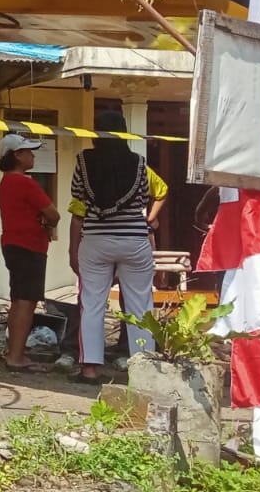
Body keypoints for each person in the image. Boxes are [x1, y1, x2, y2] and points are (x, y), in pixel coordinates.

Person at [67, 111, 168, 383]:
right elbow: (147, 196)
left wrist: (72, 249)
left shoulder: (84, 163)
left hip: (96, 241)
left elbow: (78, 198)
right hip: (134, 240)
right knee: (140, 305)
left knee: (92, 304)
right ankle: (144, 369)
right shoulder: (139, 164)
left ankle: (89, 369)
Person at [0, 134, 61, 373]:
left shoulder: (6, 182)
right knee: (26, 301)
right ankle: (16, 356)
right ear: (17, 155)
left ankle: (14, 350)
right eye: (28, 151)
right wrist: (45, 221)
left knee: (18, 299)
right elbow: (53, 214)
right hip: (29, 245)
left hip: (12, 243)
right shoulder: (25, 182)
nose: (33, 155)